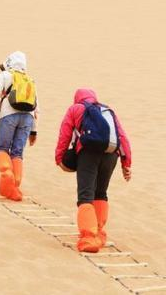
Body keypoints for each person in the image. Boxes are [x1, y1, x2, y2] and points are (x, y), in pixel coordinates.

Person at [54, 88, 132, 253]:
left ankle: (89, 237)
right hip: (112, 155)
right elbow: (122, 137)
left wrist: (59, 158)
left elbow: (65, 134)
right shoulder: (107, 110)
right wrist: (126, 164)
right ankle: (98, 232)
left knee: (85, 196)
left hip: (88, 153)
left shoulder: (75, 109)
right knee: (101, 193)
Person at [0, 52, 38, 201]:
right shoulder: (29, 79)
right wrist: (34, 131)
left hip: (8, 115)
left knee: (3, 149)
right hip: (27, 119)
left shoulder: (5, 75)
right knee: (17, 153)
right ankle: (15, 187)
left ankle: (7, 176)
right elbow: (36, 108)